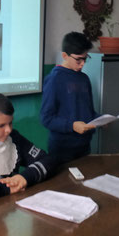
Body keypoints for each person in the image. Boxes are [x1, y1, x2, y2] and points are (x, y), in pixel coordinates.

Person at [40, 31, 98, 164]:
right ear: (65, 56)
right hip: (62, 148)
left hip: (84, 145)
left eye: (85, 58)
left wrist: (101, 119)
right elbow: (46, 118)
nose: (82, 64)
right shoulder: (54, 79)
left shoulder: (84, 79)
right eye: (78, 59)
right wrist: (72, 126)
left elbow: (88, 112)